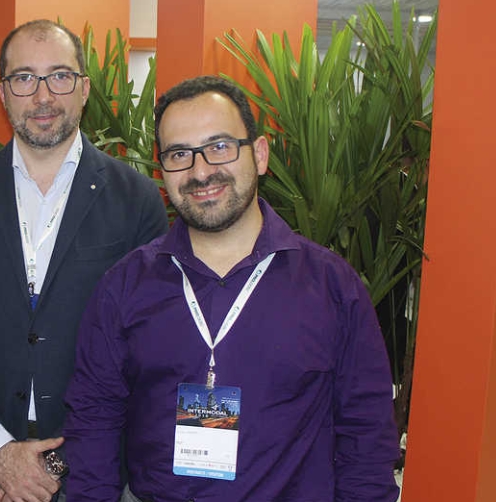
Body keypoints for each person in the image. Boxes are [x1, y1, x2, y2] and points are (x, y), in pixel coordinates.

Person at [63, 76, 400, 502]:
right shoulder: (125, 287)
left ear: (259, 154)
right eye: (179, 154)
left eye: (219, 146)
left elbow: (366, 439)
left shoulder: (332, 287)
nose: (201, 171)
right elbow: (94, 422)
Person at [0, 19, 168, 502]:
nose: (43, 95)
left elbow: (146, 350)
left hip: (94, 468)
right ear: (3, 93)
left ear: (84, 89)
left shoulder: (135, 199)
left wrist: (51, 464)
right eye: (24, 78)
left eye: (60, 76)